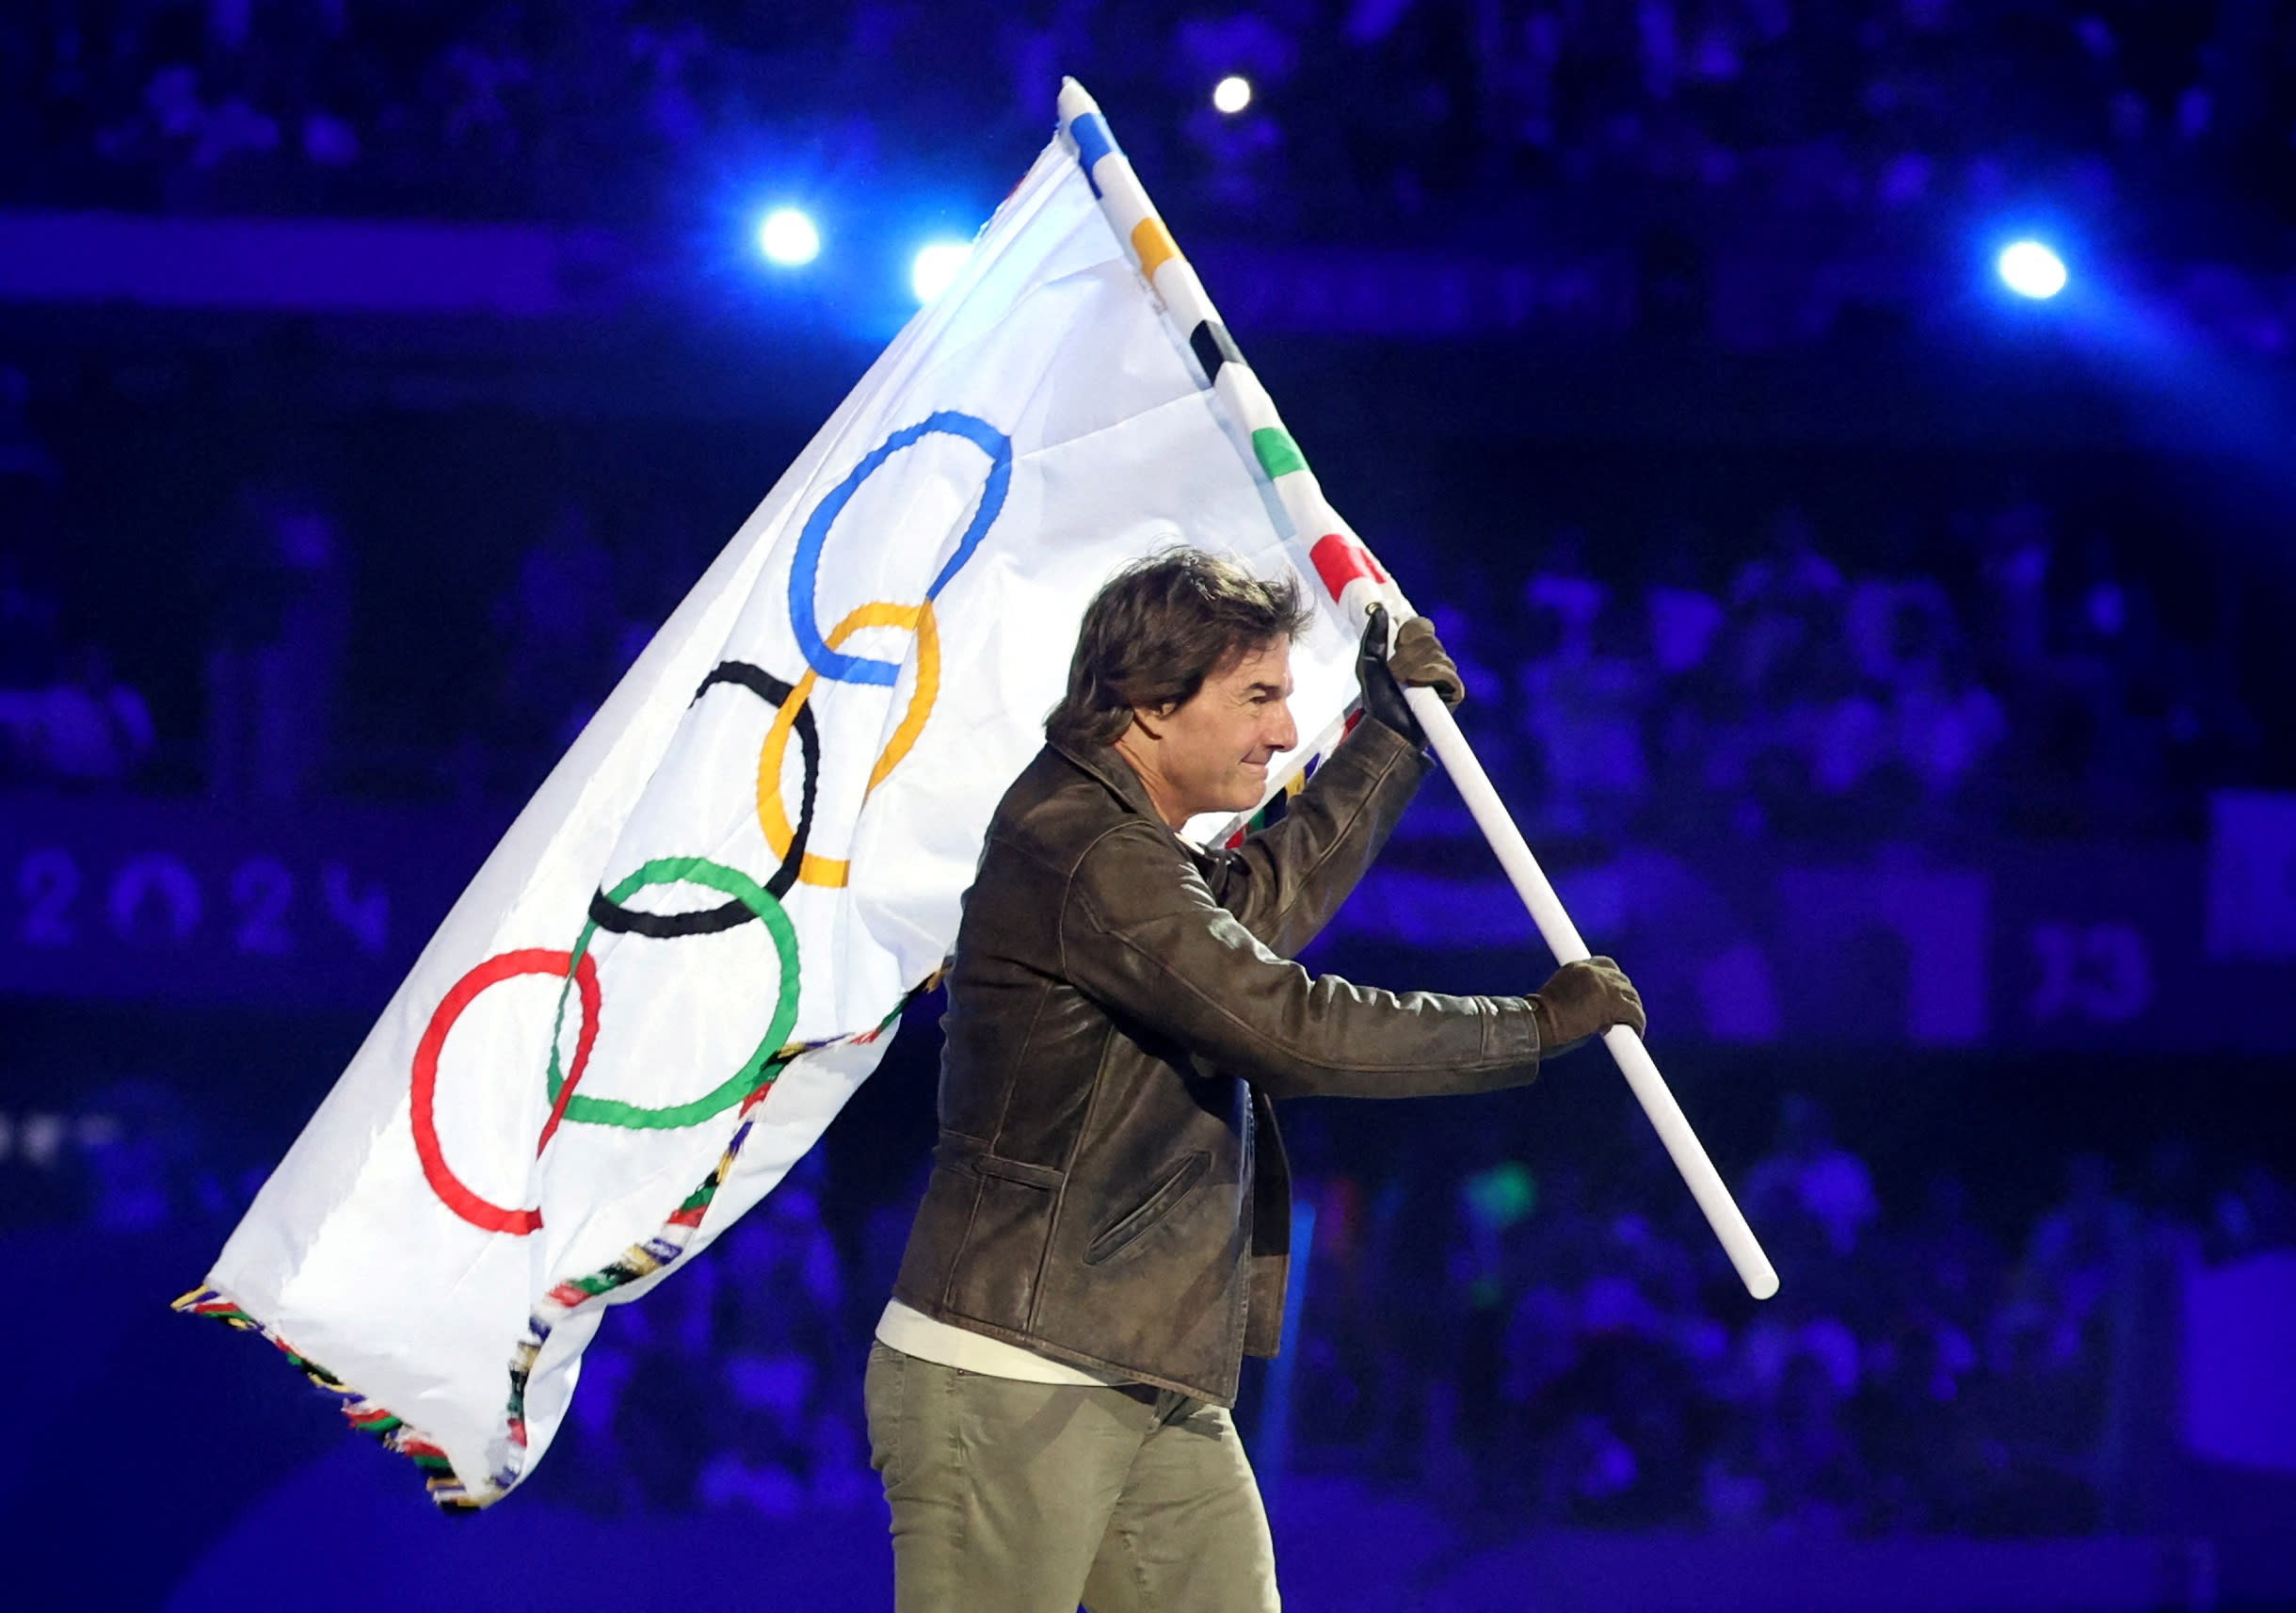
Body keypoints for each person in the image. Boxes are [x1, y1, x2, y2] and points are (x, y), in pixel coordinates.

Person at [867, 549, 1646, 1612]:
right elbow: (1283, 1026)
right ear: (1147, 707)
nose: (1284, 732)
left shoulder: (1124, 844)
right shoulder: (1084, 849)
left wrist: (1393, 737)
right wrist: (1527, 1029)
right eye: (1260, 698)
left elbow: (1252, 918)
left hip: (1142, 1369)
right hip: (1011, 1371)